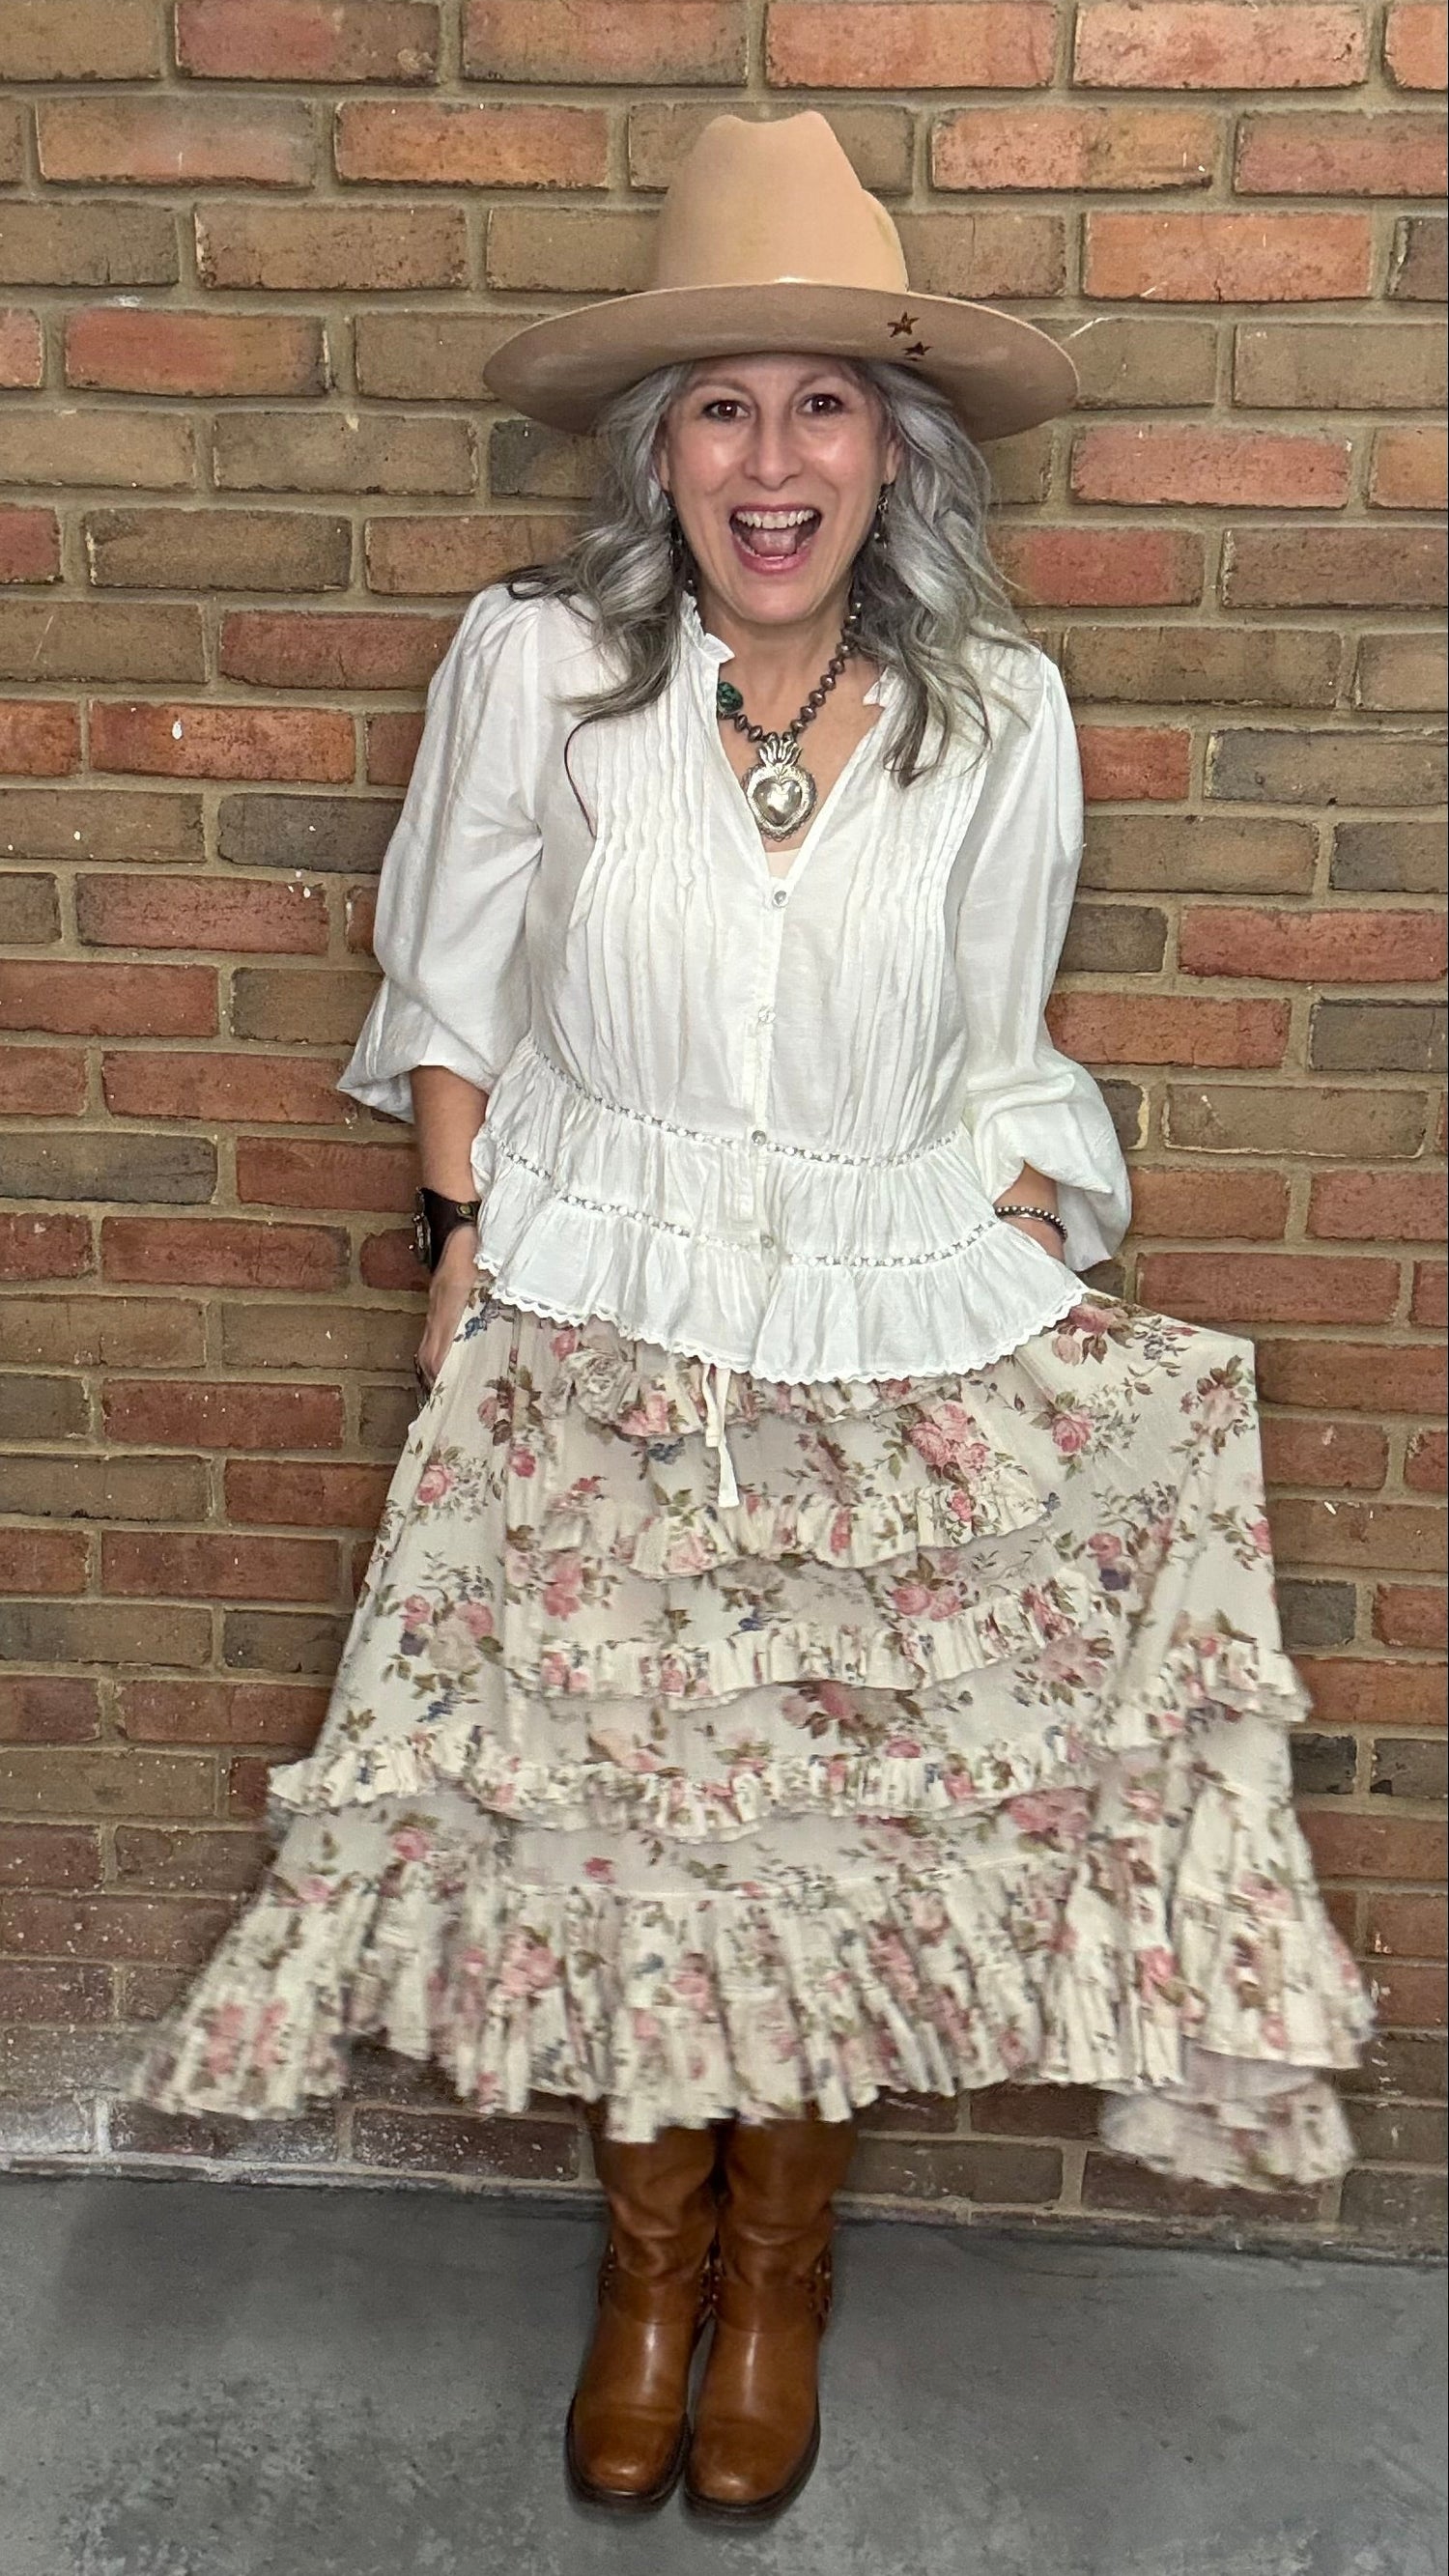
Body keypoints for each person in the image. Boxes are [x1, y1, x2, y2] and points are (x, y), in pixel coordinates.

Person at [133, 113, 1373, 2526]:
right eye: (723, 406)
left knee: (816, 1846)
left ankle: (776, 2279)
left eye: (825, 406)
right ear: (659, 449)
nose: (773, 460)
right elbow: (454, 982)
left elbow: (1002, 1042)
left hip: (879, 1349)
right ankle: (647, 2276)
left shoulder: (999, 708)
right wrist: (454, 1235)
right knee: (626, 1835)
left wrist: (1024, 1231)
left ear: (896, 451)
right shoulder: (541, 668)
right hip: (599, 1321)